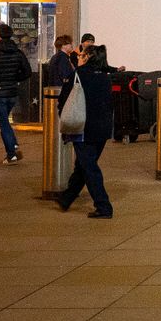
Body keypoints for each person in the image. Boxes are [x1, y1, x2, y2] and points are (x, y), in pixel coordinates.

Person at [56, 45, 114, 218]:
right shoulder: (105, 77)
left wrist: (64, 118)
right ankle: (67, 197)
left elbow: (63, 101)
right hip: (102, 129)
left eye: (81, 55)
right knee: (83, 165)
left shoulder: (77, 75)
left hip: (81, 128)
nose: (78, 57)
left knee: (89, 168)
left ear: (87, 57)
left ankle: (104, 206)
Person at [0, 23, 32, 165]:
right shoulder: (17, 52)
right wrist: (15, 78)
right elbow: (27, 72)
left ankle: (11, 153)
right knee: (5, 122)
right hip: (13, 93)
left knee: (3, 123)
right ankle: (13, 144)